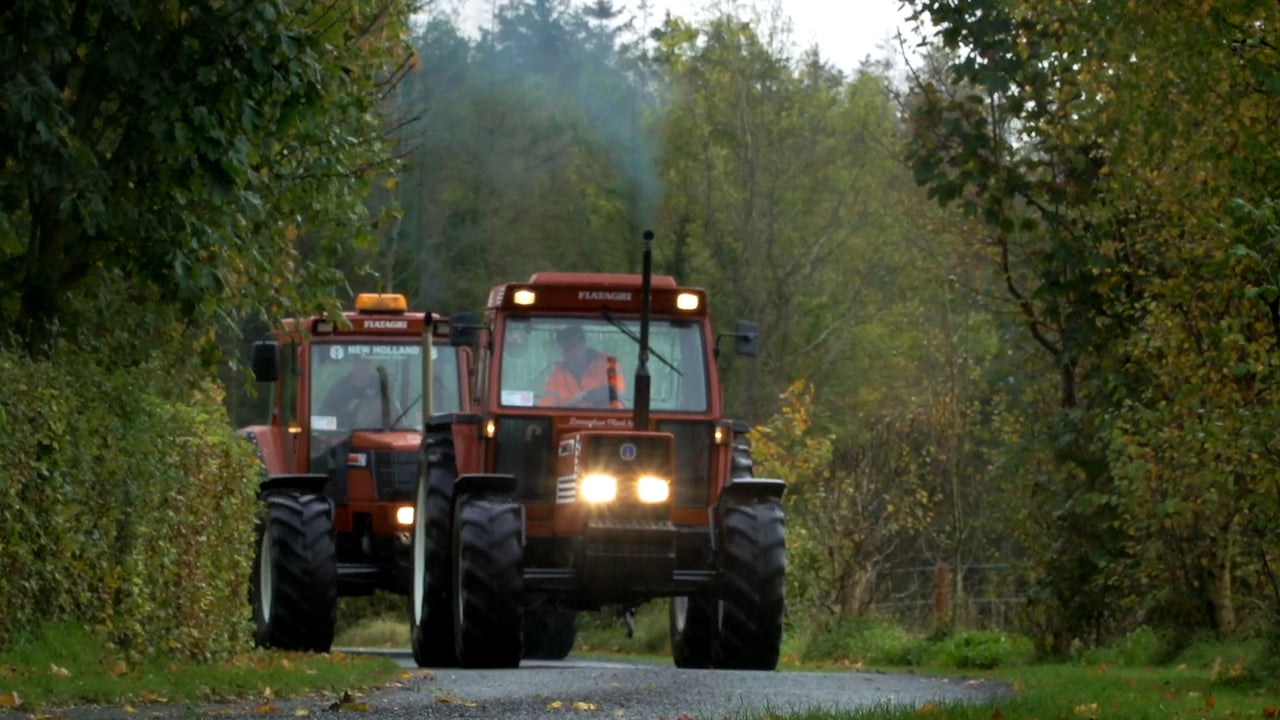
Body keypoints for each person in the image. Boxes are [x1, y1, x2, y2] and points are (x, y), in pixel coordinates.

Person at [540, 325, 625, 407]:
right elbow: (546, 405)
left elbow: (616, 390)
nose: (570, 353)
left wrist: (585, 396)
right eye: (566, 349)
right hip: (567, 419)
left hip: (606, 419)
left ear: (584, 343)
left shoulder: (607, 363)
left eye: (573, 347)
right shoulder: (557, 373)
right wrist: (567, 405)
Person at [320, 354, 384, 427]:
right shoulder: (339, 388)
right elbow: (324, 416)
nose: (363, 366)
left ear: (372, 365)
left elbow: (393, 411)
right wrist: (346, 410)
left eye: (367, 362)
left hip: (377, 433)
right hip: (345, 434)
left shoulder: (380, 386)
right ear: (353, 364)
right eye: (360, 361)